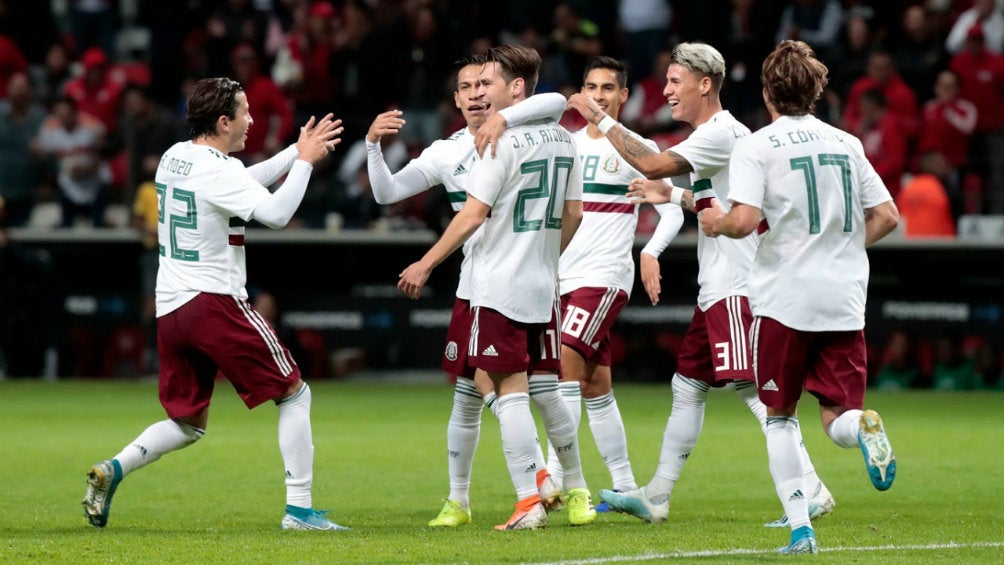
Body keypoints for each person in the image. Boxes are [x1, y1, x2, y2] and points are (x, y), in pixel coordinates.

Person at [566, 41, 834, 528]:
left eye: (674, 82)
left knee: (756, 391)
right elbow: (719, 201)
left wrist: (601, 120)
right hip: (719, 285)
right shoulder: (717, 136)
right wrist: (673, 195)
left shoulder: (720, 133)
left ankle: (811, 489)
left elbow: (649, 162)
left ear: (704, 84)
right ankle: (657, 497)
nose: (665, 91)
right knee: (687, 385)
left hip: (737, 284)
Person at [81, 77, 348, 531]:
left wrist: (293, 153)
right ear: (224, 121)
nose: (251, 119)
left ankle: (114, 468)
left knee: (186, 421)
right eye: (244, 112)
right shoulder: (219, 171)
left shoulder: (174, 157)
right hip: (213, 301)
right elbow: (277, 215)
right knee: (294, 392)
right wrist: (302, 165)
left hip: (171, 307)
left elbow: (237, 181)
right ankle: (300, 511)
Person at [369, 53, 591, 529]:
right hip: (529, 279)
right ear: (455, 98)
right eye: (468, 85)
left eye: (486, 83)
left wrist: (425, 264)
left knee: (522, 390)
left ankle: (536, 495)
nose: (477, 92)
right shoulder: (558, 138)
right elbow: (573, 212)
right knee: (474, 392)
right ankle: (468, 498)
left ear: (510, 89)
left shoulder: (500, 142)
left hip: (494, 281)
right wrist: (373, 146)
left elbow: (472, 216)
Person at [698, 39, 900, 554]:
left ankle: (801, 530)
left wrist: (715, 223)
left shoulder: (757, 146)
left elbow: (743, 221)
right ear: (816, 90)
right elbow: (887, 217)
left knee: (780, 416)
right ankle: (865, 426)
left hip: (784, 299)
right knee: (837, 419)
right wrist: (842, 244)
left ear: (768, 92)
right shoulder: (847, 142)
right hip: (844, 297)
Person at [544, 56, 684, 508]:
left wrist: (650, 252)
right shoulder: (564, 143)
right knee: (596, 383)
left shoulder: (633, 148)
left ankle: (554, 482)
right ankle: (625, 486)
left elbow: (672, 208)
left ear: (623, 96)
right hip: (561, 276)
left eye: (608, 88)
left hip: (603, 277)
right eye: (591, 87)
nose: (598, 95)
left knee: (562, 370)